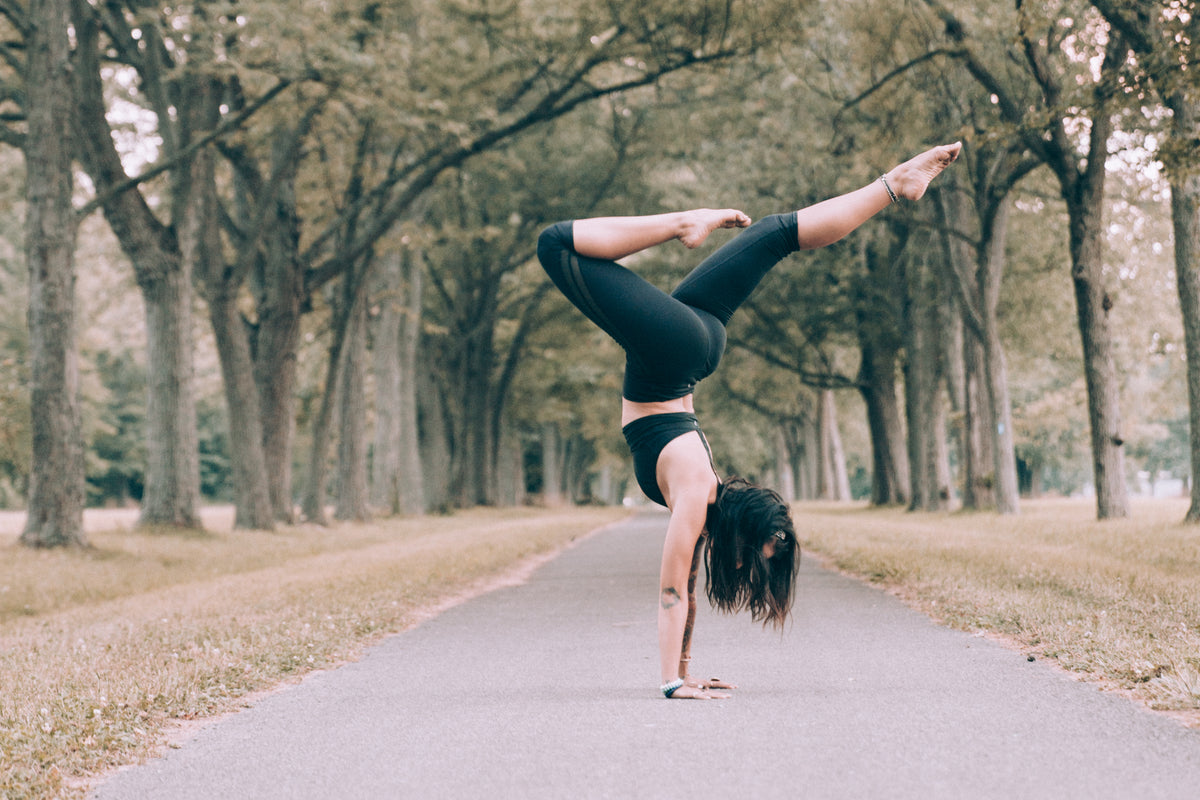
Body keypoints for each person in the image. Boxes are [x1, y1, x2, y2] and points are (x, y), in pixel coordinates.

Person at [536, 142, 962, 699]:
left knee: (780, 233)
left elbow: (683, 587)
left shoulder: (700, 499)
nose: (738, 560)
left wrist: (684, 672)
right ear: (736, 529)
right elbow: (670, 594)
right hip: (673, 353)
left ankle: (894, 183)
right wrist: (669, 683)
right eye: (748, 551)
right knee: (554, 244)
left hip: (696, 341)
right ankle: (681, 222)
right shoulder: (693, 493)